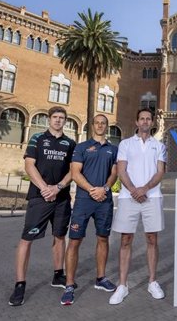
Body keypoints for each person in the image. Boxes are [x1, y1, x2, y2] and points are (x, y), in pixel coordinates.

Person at [9, 106, 76, 306]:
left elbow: (73, 171)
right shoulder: (37, 138)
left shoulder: (70, 144)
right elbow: (29, 165)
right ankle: (20, 284)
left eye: (61, 118)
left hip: (61, 198)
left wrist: (58, 187)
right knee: (26, 239)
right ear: (49, 119)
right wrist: (45, 188)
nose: (58, 120)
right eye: (55, 117)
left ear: (65, 121)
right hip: (39, 197)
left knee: (60, 236)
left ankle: (58, 274)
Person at [108, 108, 167, 305]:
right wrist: (134, 189)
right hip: (128, 197)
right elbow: (122, 170)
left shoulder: (159, 146)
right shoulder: (125, 144)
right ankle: (122, 285)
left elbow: (160, 172)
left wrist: (145, 189)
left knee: (152, 239)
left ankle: (152, 281)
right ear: (136, 122)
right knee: (125, 240)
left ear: (152, 122)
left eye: (148, 119)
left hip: (152, 196)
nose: (144, 122)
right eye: (141, 118)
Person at [60, 114, 119, 305]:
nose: (100, 125)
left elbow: (114, 173)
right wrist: (92, 190)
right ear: (93, 126)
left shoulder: (113, 149)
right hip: (85, 200)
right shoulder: (82, 147)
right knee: (75, 241)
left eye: (103, 123)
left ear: (107, 127)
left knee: (103, 238)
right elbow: (75, 173)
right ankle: (69, 285)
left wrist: (106, 188)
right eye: (97, 123)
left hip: (105, 201)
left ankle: (101, 279)